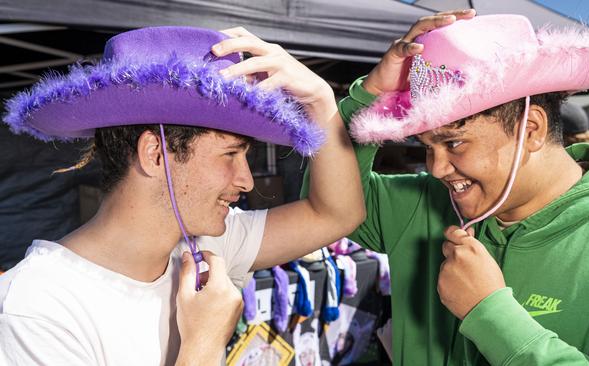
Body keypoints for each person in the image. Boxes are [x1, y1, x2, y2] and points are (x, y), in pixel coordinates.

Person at [0, 26, 364, 365]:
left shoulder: (206, 246)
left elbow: (336, 214)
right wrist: (203, 344)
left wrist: (321, 101)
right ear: (155, 154)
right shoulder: (36, 307)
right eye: (230, 154)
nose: (248, 182)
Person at [328, 11, 589, 365]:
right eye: (426, 147)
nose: (436, 169)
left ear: (530, 130)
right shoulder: (423, 203)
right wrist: (368, 96)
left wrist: (490, 314)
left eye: (454, 143)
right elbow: (324, 207)